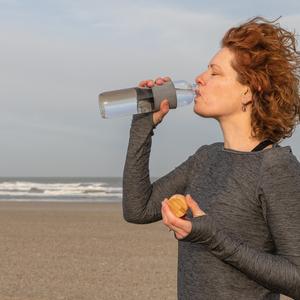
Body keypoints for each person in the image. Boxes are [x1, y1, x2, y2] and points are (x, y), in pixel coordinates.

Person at [122, 16, 300, 300]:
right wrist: (143, 125)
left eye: (214, 73)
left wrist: (213, 238)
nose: (199, 79)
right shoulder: (206, 157)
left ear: (247, 91)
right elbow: (137, 209)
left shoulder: (276, 168)